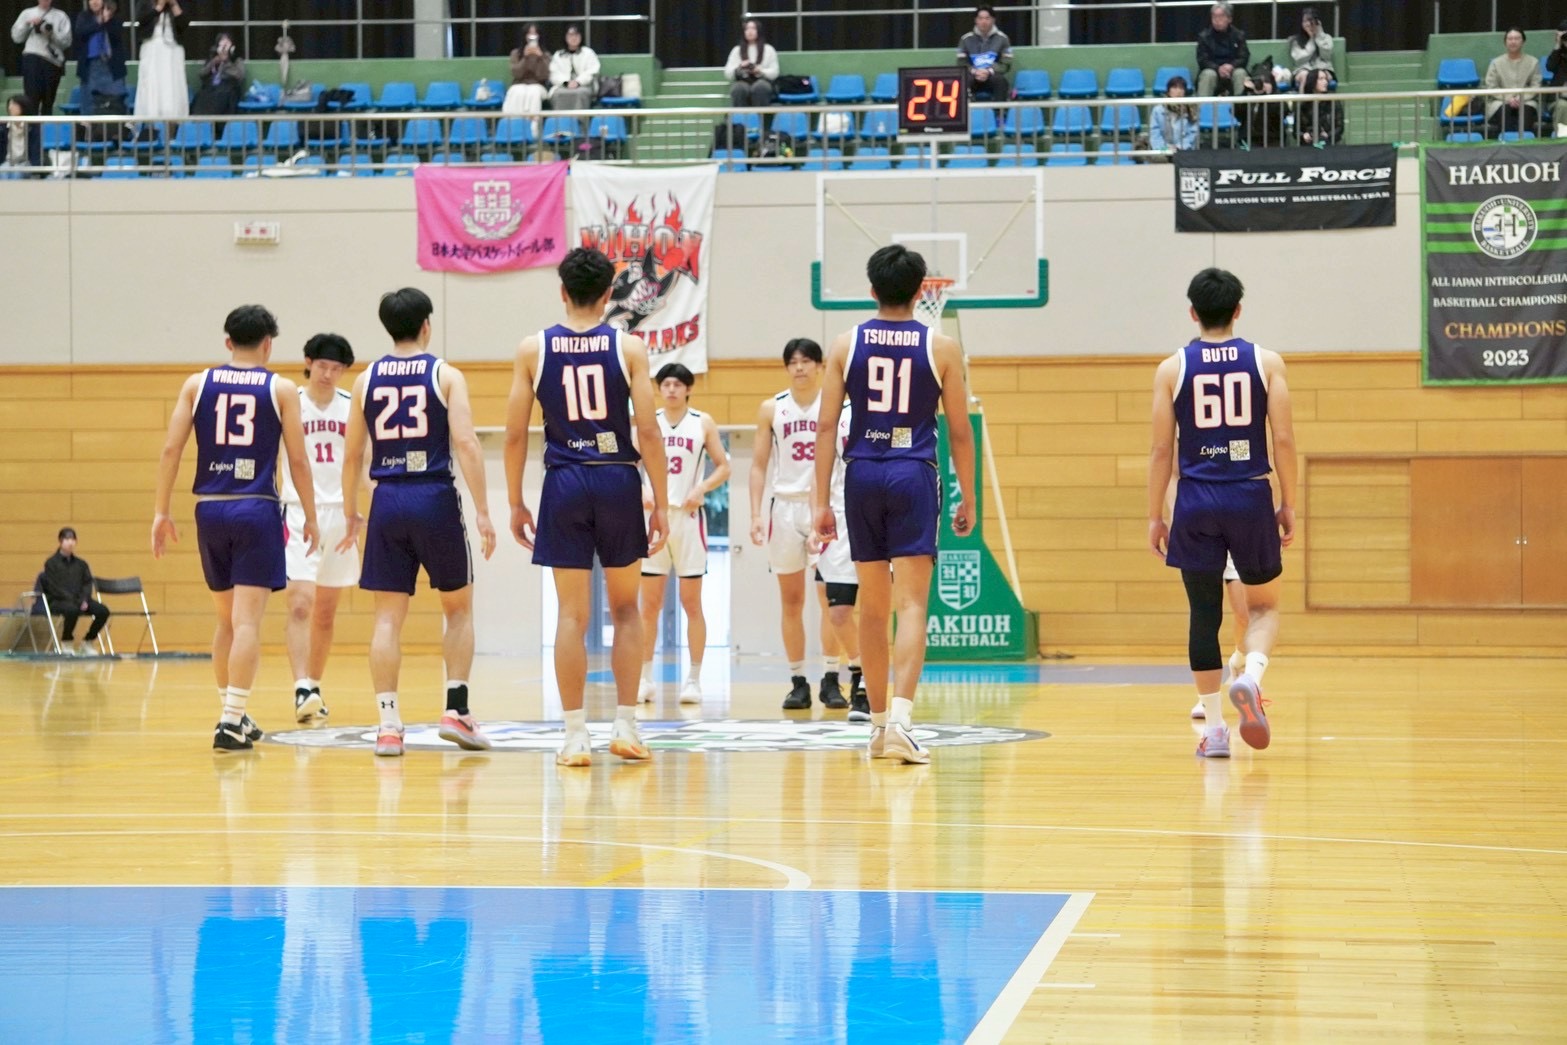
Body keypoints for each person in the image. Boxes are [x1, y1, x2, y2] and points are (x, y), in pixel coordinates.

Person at [503, 247, 668, 767]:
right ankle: (626, 725)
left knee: (571, 615)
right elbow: (648, 431)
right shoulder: (629, 347)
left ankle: (575, 735)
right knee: (627, 609)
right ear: (608, 295)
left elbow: (514, 435)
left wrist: (515, 501)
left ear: (562, 292)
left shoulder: (533, 349)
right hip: (617, 478)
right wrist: (661, 503)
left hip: (565, 481)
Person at [813, 245, 976, 764]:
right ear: (923, 290)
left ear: (871, 290)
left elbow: (825, 426)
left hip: (861, 473)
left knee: (872, 606)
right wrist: (968, 496)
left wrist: (820, 502)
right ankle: (902, 721)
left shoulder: (845, 344)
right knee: (911, 605)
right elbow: (959, 432)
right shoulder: (941, 347)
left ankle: (879, 726)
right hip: (912, 472)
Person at [337, 289, 498, 759]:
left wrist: (350, 511)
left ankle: (388, 726)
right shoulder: (445, 374)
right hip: (434, 495)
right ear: (427, 324)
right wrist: (483, 510)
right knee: (458, 609)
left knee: (387, 618)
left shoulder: (365, 379)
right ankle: (456, 710)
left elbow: (352, 455)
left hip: (387, 498)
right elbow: (465, 443)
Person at [152, 305, 320, 752]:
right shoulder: (280, 388)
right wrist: (310, 514)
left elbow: (170, 450)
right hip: (255, 508)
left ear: (228, 342)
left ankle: (234, 712)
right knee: (247, 622)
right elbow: (298, 460)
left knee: (226, 620)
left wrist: (161, 511)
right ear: (268, 344)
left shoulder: (197, 384)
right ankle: (229, 722)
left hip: (209, 510)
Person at [1147, 268, 1297, 759]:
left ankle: (1214, 731)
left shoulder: (1172, 369)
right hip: (1249, 494)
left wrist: (1155, 516)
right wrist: (1289, 502)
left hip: (1195, 499)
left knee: (1203, 613)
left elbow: (1161, 451)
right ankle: (1250, 675)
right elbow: (1283, 439)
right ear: (1238, 310)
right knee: (1264, 607)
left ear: (1193, 312)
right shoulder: (1266, 362)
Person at [636, 363, 731, 706]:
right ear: (659, 389)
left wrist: (702, 487)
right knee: (649, 605)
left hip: (689, 519)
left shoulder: (702, 422)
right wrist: (640, 491)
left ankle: (693, 680)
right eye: (666, 384)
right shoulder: (647, 421)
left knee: (692, 603)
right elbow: (629, 464)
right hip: (653, 518)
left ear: (689, 388)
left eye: (678, 384)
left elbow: (724, 466)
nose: (672, 389)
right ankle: (645, 678)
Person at [748, 339, 835, 711]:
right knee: (792, 600)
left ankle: (831, 677)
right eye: (793, 362)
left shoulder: (835, 403)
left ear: (820, 365)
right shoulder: (772, 408)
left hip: (823, 508)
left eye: (806, 361)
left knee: (830, 597)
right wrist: (755, 514)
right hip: (783, 507)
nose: (799, 367)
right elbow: (758, 465)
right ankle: (798, 680)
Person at [280, 333, 358, 724]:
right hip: (297, 511)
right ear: (308, 362)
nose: (328, 374)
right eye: (322, 366)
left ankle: (313, 686)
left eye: (336, 368)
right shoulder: (288, 402)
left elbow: (363, 463)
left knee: (325, 612)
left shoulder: (352, 406)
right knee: (300, 602)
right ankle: (300, 689)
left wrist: (362, 511)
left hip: (340, 515)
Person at [815, 397, 869, 721]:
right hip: (842, 521)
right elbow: (820, 471)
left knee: (877, 610)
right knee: (838, 613)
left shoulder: (894, 408)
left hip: (881, 516)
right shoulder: (836, 415)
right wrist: (817, 513)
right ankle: (859, 673)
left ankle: (868, 691)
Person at [40, 527, 110, 656]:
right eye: (67, 539)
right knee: (72, 609)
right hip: (58, 601)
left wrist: (84, 599)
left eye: (73, 539)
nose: (70, 542)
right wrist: (76, 601)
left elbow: (87, 583)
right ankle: (66, 640)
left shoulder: (81, 564)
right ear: (60, 541)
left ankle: (88, 641)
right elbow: (53, 587)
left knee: (103, 611)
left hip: (80, 600)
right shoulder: (51, 563)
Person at [10, 0, 72, 116]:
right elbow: (16, 38)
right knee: (31, 99)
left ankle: (46, 126)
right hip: (32, 57)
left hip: (52, 61)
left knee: (48, 101)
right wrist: (28, 24)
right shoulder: (27, 13)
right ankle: (32, 127)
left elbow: (67, 42)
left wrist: (51, 33)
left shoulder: (61, 15)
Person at [133, 0, 190, 122]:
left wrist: (174, 5)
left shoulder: (179, 3)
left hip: (173, 48)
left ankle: (173, 117)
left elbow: (184, 24)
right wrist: (159, 7)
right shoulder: (145, 2)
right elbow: (141, 20)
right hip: (152, 46)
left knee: (172, 81)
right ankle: (150, 117)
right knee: (151, 81)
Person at [1484, 28, 1542, 137]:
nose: (1513, 41)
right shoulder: (1496, 63)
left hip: (1526, 100)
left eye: (1517, 38)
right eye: (1510, 39)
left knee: (1526, 111)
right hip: (1500, 101)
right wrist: (1509, 98)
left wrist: (1521, 97)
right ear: (1505, 42)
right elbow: (1491, 86)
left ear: (1523, 41)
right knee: (1504, 111)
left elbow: (1536, 85)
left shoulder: (1533, 62)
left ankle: (1525, 144)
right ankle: (1506, 143)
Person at [74, 0, 128, 112]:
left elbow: (117, 33)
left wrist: (107, 20)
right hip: (90, 66)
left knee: (116, 104)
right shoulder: (84, 16)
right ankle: (89, 123)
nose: (94, 2)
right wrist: (99, 22)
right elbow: (80, 32)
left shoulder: (114, 16)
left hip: (112, 67)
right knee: (89, 105)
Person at [956, 5, 1012, 102]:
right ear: (975, 20)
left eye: (987, 18)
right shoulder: (965, 39)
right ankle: (966, 111)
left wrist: (988, 71)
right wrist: (975, 71)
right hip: (973, 75)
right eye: (980, 18)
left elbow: (1006, 64)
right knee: (963, 81)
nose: (983, 21)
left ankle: (1000, 111)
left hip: (993, 76)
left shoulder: (1003, 39)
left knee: (1001, 81)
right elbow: (961, 63)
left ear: (993, 20)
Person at [1196, 2, 1251, 98]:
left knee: (1240, 73)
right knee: (1208, 74)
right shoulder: (1204, 37)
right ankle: (1203, 106)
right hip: (1213, 70)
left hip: (1233, 70)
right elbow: (1202, 60)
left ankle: (1241, 107)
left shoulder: (1239, 35)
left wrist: (1231, 66)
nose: (1217, 20)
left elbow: (1244, 57)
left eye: (1221, 17)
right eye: (1214, 17)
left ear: (1229, 19)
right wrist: (1218, 68)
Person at [724, 19, 778, 108]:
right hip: (743, 80)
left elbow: (775, 72)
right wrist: (740, 67)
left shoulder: (769, 49)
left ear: (759, 31)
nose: (750, 31)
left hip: (762, 80)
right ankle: (740, 116)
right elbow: (728, 73)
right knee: (738, 88)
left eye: (753, 28)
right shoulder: (736, 50)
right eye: (747, 29)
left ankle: (760, 116)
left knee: (761, 87)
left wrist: (760, 70)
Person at [191, 32, 246, 120]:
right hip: (211, 89)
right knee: (201, 96)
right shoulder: (213, 59)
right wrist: (213, 63)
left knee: (221, 97)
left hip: (228, 90)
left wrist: (226, 62)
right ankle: (199, 123)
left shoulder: (237, 60)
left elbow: (239, 76)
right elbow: (201, 74)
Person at [548, 24, 599, 113]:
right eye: (570, 35)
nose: (574, 38)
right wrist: (566, 83)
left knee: (581, 93)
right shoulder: (558, 55)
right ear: (565, 37)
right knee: (558, 94)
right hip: (563, 86)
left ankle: (579, 121)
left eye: (576, 35)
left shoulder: (588, 53)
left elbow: (592, 71)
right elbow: (554, 74)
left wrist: (578, 82)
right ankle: (560, 121)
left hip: (583, 86)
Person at [504, 25, 550, 118]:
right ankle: (512, 123)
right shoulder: (515, 53)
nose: (532, 36)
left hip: (538, 86)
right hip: (519, 84)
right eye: (529, 33)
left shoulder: (545, 54)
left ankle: (533, 125)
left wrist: (540, 57)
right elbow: (516, 74)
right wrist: (525, 58)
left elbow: (544, 75)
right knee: (517, 92)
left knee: (533, 92)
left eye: (535, 33)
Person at [1239, 59, 1286, 149]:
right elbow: (1237, 113)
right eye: (1259, 82)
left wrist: (1267, 95)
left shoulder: (1278, 98)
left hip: (1273, 140)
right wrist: (1246, 91)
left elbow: (1281, 113)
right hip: (1249, 139)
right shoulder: (1248, 96)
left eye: (1266, 82)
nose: (1262, 85)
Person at [1147, 76, 1198, 157]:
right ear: (1168, 91)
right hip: (1163, 151)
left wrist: (1178, 147)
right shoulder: (1157, 110)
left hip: (1183, 150)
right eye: (1174, 87)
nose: (1178, 91)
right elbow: (1154, 134)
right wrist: (1165, 149)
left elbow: (1192, 134)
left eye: (1181, 88)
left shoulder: (1190, 111)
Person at [1288, 7, 1334, 92]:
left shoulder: (1326, 38)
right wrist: (1311, 39)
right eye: (1305, 21)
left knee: (1320, 76)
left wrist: (1318, 35)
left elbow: (1326, 56)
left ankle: (1322, 100)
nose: (1308, 24)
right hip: (1302, 70)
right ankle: (1304, 100)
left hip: (1322, 69)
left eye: (1311, 21)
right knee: (1306, 76)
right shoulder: (1295, 40)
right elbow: (1299, 60)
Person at [1296, 68, 1344, 147]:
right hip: (1308, 145)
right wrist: (1303, 135)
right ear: (1312, 81)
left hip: (1330, 143)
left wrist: (1328, 135)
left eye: (1325, 79)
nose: (1325, 82)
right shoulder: (1302, 103)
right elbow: (1296, 131)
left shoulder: (1333, 100)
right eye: (1321, 79)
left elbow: (1340, 127)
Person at [0, 94, 42, 178]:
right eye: (9, 105)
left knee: (17, 173)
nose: (10, 108)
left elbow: (35, 148)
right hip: (8, 161)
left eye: (14, 105)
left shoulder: (32, 126)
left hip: (25, 161)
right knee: (3, 172)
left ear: (23, 106)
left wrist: (36, 170)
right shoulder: (3, 127)